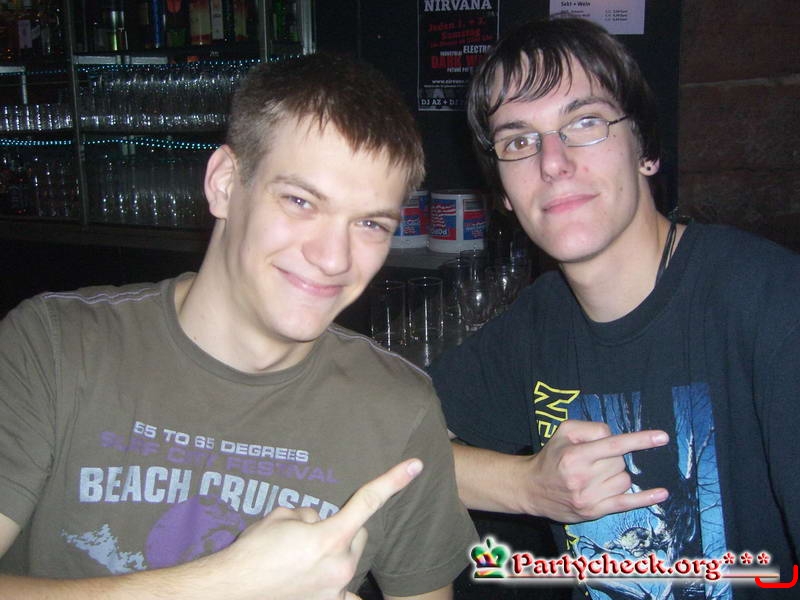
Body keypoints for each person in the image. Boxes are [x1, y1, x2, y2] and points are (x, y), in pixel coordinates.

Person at [0, 53, 477, 599]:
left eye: (370, 223)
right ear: (225, 183)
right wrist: (225, 585)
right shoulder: (54, 347)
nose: (333, 258)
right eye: (300, 201)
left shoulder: (399, 410)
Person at [429, 16, 800, 599]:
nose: (552, 162)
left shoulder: (772, 302)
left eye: (585, 123)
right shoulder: (538, 321)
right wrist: (527, 486)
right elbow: (386, 444)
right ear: (503, 193)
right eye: (519, 141)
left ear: (646, 149)